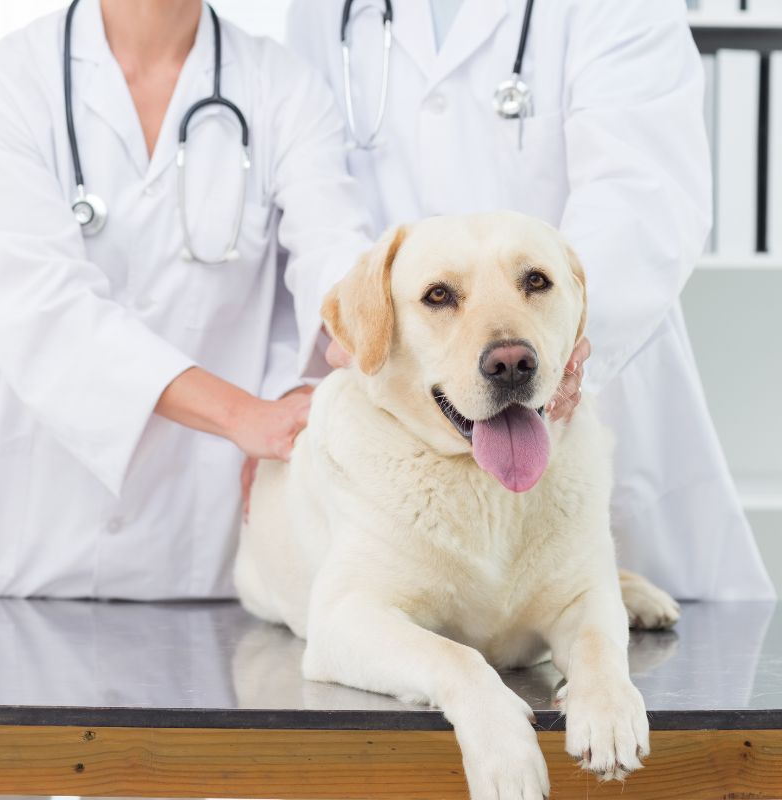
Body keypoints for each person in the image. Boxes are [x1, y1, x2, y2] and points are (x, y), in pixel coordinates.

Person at [287, 0, 775, 600]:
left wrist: (563, 353)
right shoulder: (320, 10)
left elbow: (643, 195)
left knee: (617, 644)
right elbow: (315, 198)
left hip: (589, 391)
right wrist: (361, 319)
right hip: (401, 408)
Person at [0, 0, 373, 598]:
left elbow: (332, 251)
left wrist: (371, 337)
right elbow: (44, 309)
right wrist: (245, 414)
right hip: (34, 549)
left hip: (205, 554)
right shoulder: (9, 82)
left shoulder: (283, 89)